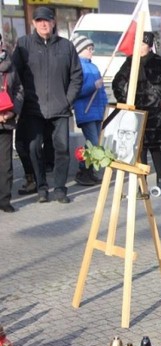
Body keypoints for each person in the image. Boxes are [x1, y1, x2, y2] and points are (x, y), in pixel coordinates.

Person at [13, 6, 82, 203]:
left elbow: (77, 76)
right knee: (34, 148)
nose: (44, 24)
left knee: (62, 150)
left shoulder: (66, 46)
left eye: (47, 20)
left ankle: (60, 188)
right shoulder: (23, 45)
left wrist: (68, 99)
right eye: (39, 20)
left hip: (60, 109)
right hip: (33, 109)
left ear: (53, 23)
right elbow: (14, 75)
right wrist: (19, 102)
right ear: (34, 23)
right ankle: (42, 187)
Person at [113, 31, 161, 193]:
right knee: (139, 148)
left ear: (149, 46)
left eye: (142, 44)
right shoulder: (131, 61)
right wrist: (125, 102)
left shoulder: (159, 62)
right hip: (136, 111)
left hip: (155, 112)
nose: (139, 46)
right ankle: (141, 181)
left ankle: (160, 178)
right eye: (137, 43)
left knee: (155, 147)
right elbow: (117, 82)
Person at [71, 35, 108, 186]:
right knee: (92, 142)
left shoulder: (93, 66)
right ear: (80, 50)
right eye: (88, 48)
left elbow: (101, 92)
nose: (91, 51)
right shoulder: (78, 68)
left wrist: (106, 106)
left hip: (97, 111)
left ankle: (88, 170)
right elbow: (76, 91)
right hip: (85, 111)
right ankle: (83, 171)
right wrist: (94, 85)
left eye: (92, 48)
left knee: (94, 143)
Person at [0, 33, 23, 213]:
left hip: (6, 120)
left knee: (5, 164)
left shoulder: (11, 66)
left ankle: (4, 199)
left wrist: (12, 111)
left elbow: (19, 90)